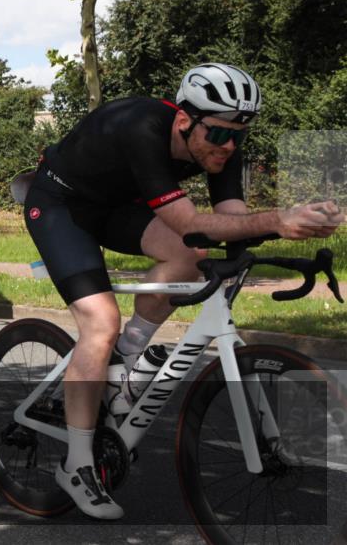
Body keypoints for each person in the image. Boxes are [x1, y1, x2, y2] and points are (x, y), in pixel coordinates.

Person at [23, 63, 342, 519]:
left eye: (238, 136)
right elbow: (190, 222)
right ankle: (76, 465)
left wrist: (302, 226)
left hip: (116, 208)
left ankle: (125, 362)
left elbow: (232, 221)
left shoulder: (222, 146)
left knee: (192, 255)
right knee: (101, 323)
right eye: (219, 134)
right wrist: (277, 219)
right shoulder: (141, 128)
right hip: (61, 206)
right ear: (183, 121)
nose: (228, 146)